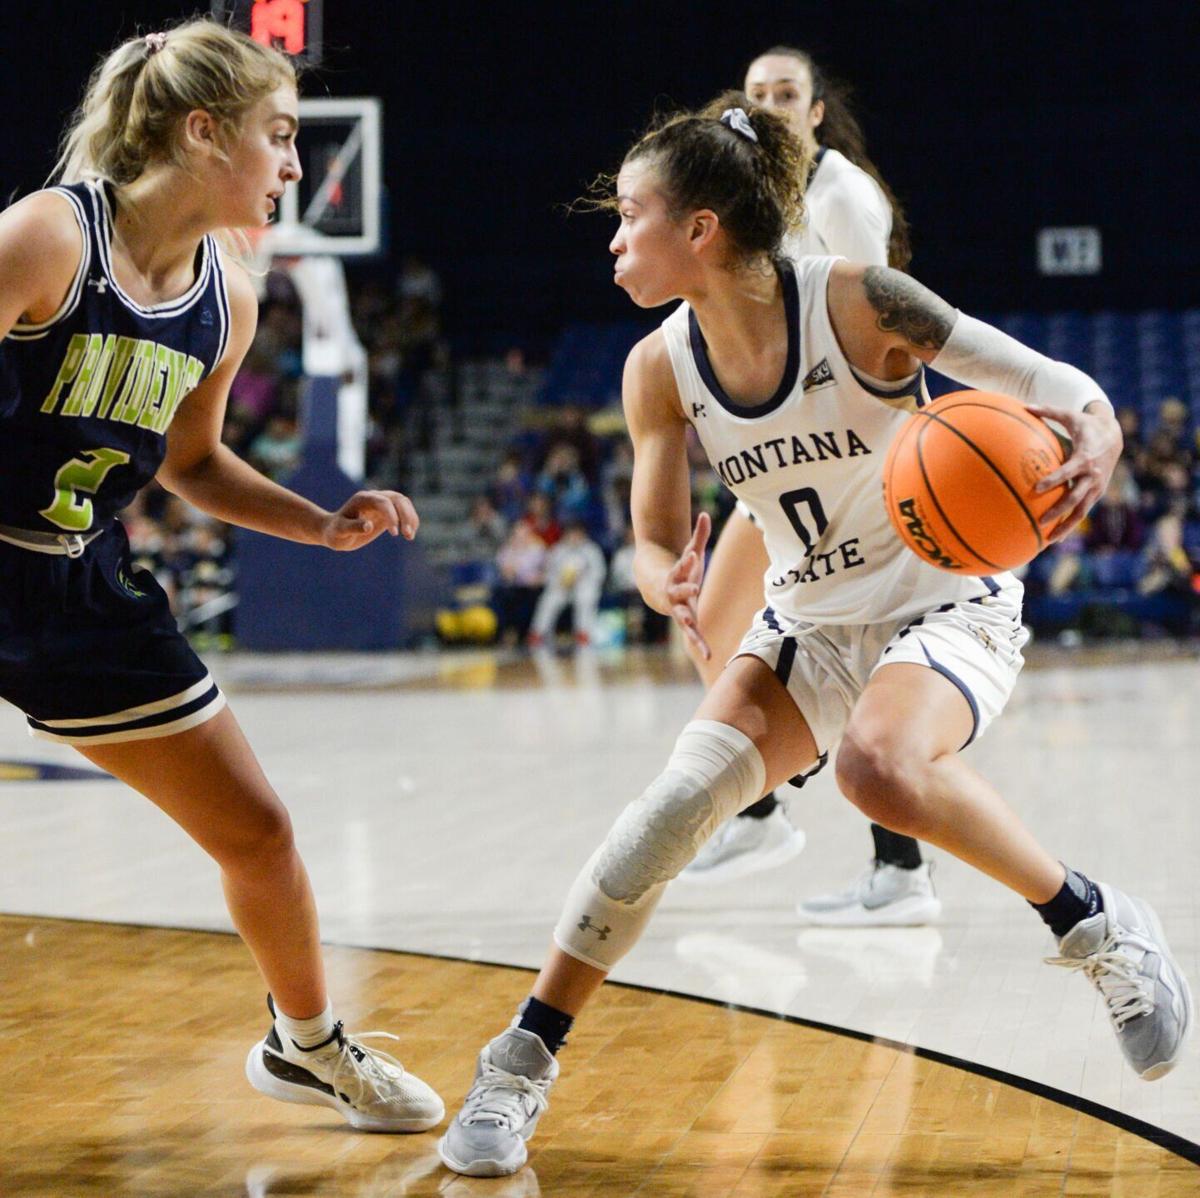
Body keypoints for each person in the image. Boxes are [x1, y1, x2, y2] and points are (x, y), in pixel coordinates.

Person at [437, 95, 1191, 1178]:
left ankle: (1099, 925)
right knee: (662, 819)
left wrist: (1100, 424)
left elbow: (1038, 378)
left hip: (948, 594)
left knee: (878, 768)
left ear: (700, 229)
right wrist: (667, 580)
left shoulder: (854, 300)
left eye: (631, 213)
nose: (610, 237)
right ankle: (516, 1066)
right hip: (811, 620)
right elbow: (652, 539)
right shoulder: (658, 367)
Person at [0, 21, 443, 1132]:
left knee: (259, 834)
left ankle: (306, 1046)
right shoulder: (49, 237)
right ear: (204, 134)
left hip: (77, 586)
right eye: (280, 137)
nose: (298, 165)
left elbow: (191, 461)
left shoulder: (226, 299)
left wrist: (316, 522)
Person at [680, 46, 934, 926]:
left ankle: (898, 869)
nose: (771, 106)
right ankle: (761, 810)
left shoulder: (840, 196)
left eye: (787, 94)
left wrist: (893, 460)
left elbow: (880, 324)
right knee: (711, 632)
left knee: (855, 658)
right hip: (781, 461)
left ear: (817, 111)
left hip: (852, 462)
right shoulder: (759, 201)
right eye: (756, 94)